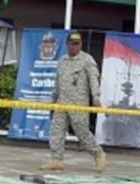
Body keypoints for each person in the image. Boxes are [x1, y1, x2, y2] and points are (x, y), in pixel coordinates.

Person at [41, 32, 107, 172]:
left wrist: (96, 97)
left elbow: (94, 79)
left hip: (78, 104)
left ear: (81, 45)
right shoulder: (62, 60)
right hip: (61, 102)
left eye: (78, 44)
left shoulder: (87, 60)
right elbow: (57, 83)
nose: (75, 47)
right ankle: (56, 159)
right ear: (67, 44)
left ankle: (98, 154)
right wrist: (52, 100)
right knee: (56, 131)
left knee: (82, 133)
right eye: (73, 44)